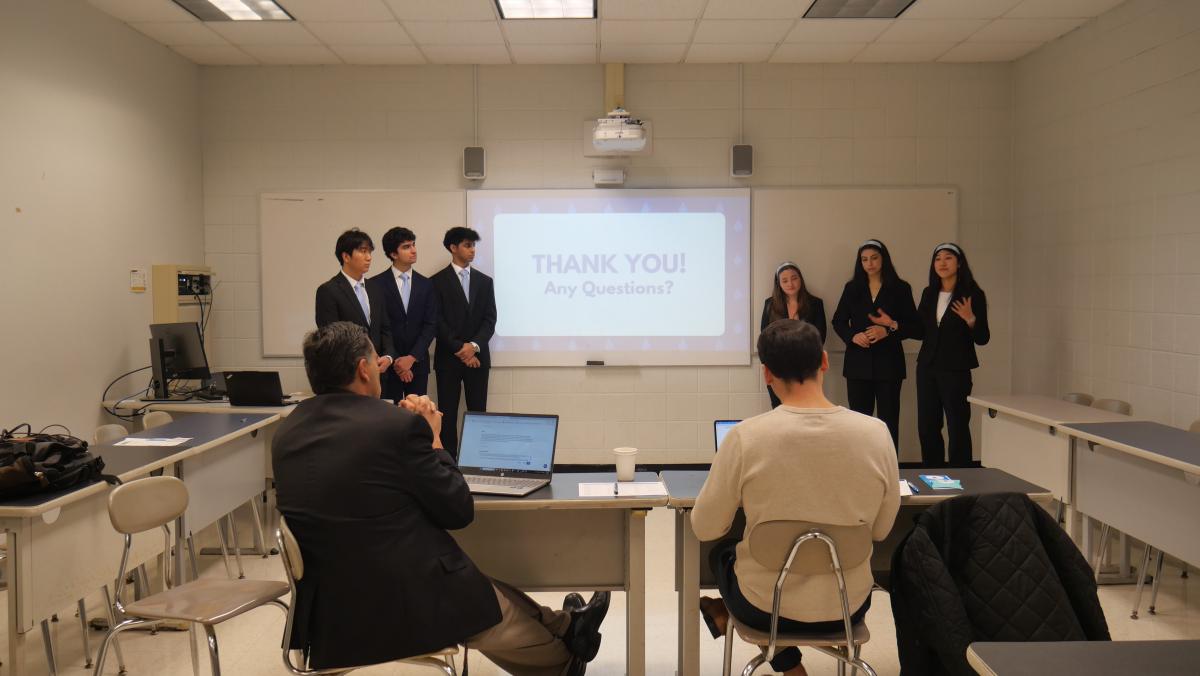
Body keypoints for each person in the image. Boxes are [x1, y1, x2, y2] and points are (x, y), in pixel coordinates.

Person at [272, 321, 609, 676]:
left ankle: (567, 626)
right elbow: (458, 509)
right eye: (375, 360)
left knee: (476, 581)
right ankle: (563, 662)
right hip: (394, 602)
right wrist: (433, 437)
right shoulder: (393, 427)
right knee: (480, 598)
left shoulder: (288, 432)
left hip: (329, 613)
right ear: (362, 369)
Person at [692, 320, 900, 676]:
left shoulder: (745, 437)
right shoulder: (876, 434)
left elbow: (704, 527)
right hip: (848, 606)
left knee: (723, 552)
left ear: (766, 374)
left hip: (765, 610)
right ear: (824, 361)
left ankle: (775, 654)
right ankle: (739, 624)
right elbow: (881, 530)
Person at [830, 239, 919, 451]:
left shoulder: (900, 288)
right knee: (859, 423)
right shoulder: (852, 288)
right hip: (858, 365)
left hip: (889, 365)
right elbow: (838, 321)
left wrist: (888, 330)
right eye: (864, 259)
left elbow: (915, 327)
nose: (869, 263)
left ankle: (888, 466)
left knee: (888, 422)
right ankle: (860, 465)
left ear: (883, 259)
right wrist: (853, 336)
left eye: (874, 258)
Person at [913, 242, 990, 468]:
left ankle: (961, 476)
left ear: (959, 263)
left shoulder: (972, 294)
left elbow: (983, 338)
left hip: (956, 369)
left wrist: (970, 319)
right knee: (927, 426)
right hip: (927, 367)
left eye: (948, 258)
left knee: (957, 426)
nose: (942, 263)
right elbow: (919, 331)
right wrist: (893, 324)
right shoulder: (929, 293)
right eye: (938, 259)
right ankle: (932, 474)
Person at [431, 226, 497, 456]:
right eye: (467, 245)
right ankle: (449, 462)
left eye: (474, 245)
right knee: (447, 414)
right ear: (453, 247)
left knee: (478, 413)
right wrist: (461, 349)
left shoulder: (485, 281)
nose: (472, 250)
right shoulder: (435, 282)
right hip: (448, 358)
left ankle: (476, 460)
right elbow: (437, 321)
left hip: (478, 358)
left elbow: (490, 319)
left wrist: (473, 347)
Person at [368, 227, 439, 402]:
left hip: (418, 363)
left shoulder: (427, 284)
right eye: (406, 247)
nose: (413, 250)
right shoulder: (375, 284)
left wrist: (411, 358)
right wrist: (397, 360)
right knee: (388, 415)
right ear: (393, 254)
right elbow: (378, 326)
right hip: (387, 365)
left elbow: (431, 324)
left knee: (417, 414)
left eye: (413, 245)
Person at [315, 228, 395, 374]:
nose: (369, 257)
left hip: (379, 372)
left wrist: (388, 357)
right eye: (363, 251)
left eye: (370, 252)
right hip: (349, 373)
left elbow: (385, 328)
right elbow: (330, 338)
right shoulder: (328, 290)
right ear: (346, 256)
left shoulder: (375, 288)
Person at [760, 261, 826, 409]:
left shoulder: (815, 304)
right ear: (778, 284)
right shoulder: (770, 304)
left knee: (806, 407)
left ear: (800, 279)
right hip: (777, 365)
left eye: (794, 278)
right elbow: (764, 336)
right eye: (785, 280)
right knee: (780, 407)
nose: (790, 284)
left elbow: (820, 337)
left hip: (807, 366)